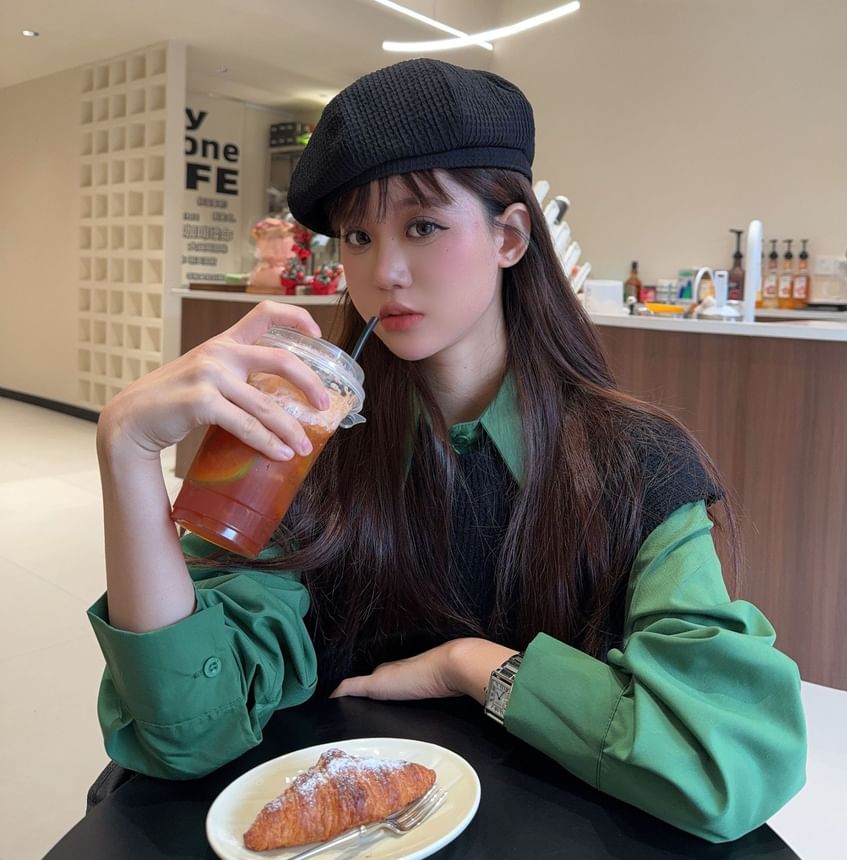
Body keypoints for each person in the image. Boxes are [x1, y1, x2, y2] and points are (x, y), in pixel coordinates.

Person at [89, 58, 805, 842]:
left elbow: (725, 761)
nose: (384, 272)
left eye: (422, 226)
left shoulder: (635, 462)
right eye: (358, 236)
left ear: (509, 236)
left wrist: (472, 665)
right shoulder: (308, 446)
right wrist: (128, 455)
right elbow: (186, 728)